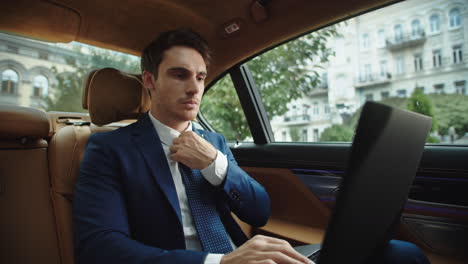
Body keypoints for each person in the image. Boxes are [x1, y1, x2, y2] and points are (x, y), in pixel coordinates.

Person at [74, 28, 429, 264]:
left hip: (243, 258)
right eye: (179, 74)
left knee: (401, 253)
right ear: (150, 81)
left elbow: (259, 211)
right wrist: (222, 261)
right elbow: (99, 246)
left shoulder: (213, 141)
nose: (195, 88)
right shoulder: (109, 149)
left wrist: (216, 163)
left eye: (200, 77)